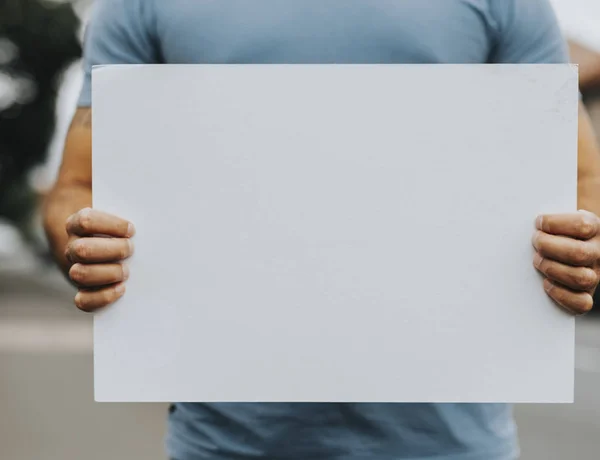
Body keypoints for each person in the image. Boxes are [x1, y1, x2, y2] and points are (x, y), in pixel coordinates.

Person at [42, 1, 600, 459]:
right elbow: (76, 188)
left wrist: (580, 242)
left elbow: (578, 179)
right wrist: (86, 242)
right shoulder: (144, 4)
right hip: (226, 442)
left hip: (453, 442)